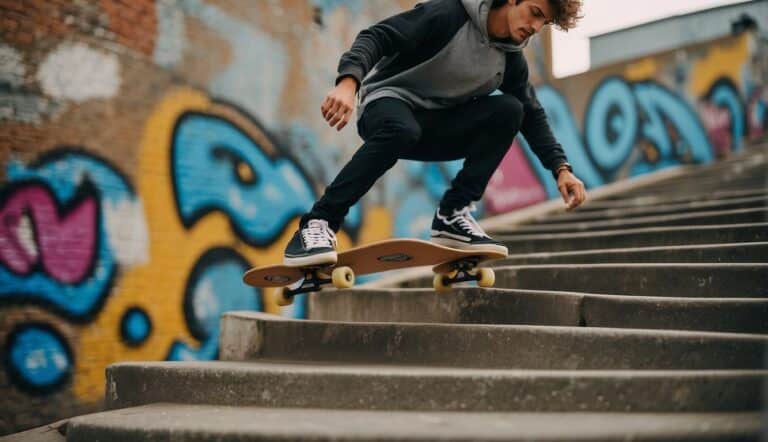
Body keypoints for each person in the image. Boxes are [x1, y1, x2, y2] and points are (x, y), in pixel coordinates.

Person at [284, 0, 587, 267]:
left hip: (434, 128)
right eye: (534, 13)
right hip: (386, 106)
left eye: (543, 22)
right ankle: (319, 223)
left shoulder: (509, 60)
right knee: (403, 129)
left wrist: (561, 169)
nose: (534, 27)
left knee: (511, 110)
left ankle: (452, 215)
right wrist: (348, 83)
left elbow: (533, 115)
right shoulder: (448, 15)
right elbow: (377, 36)